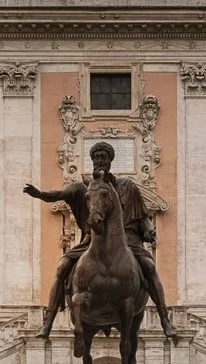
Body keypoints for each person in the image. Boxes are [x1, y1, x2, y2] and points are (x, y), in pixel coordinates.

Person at [25, 141, 174, 340]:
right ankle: (48, 322)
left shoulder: (127, 187)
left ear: (111, 161)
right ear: (92, 160)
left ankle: (165, 320)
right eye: (96, 158)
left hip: (128, 241)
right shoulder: (83, 188)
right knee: (62, 268)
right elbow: (60, 195)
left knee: (149, 267)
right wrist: (40, 194)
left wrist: (148, 230)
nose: (100, 161)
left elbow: (143, 216)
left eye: (104, 157)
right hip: (91, 241)